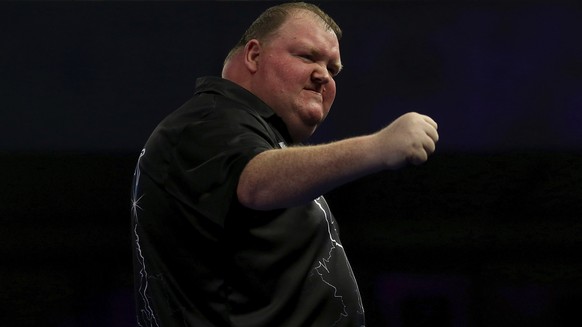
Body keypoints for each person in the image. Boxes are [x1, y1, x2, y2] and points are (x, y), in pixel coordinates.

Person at [130, 2, 438, 327]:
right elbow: (255, 182)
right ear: (253, 56)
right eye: (307, 56)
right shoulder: (208, 120)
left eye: (333, 70)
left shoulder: (249, 132)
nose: (324, 76)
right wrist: (378, 147)